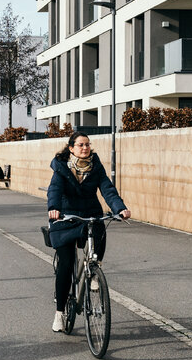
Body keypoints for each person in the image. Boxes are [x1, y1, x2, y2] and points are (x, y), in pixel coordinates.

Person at [46, 132, 131, 333]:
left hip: (89, 214)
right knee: (66, 264)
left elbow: (108, 190)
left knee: (100, 230)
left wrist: (120, 208)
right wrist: (54, 208)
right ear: (71, 148)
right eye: (80, 145)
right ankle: (59, 313)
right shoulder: (61, 167)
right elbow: (54, 190)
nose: (85, 148)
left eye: (87, 145)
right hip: (65, 217)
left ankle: (93, 270)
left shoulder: (96, 167)